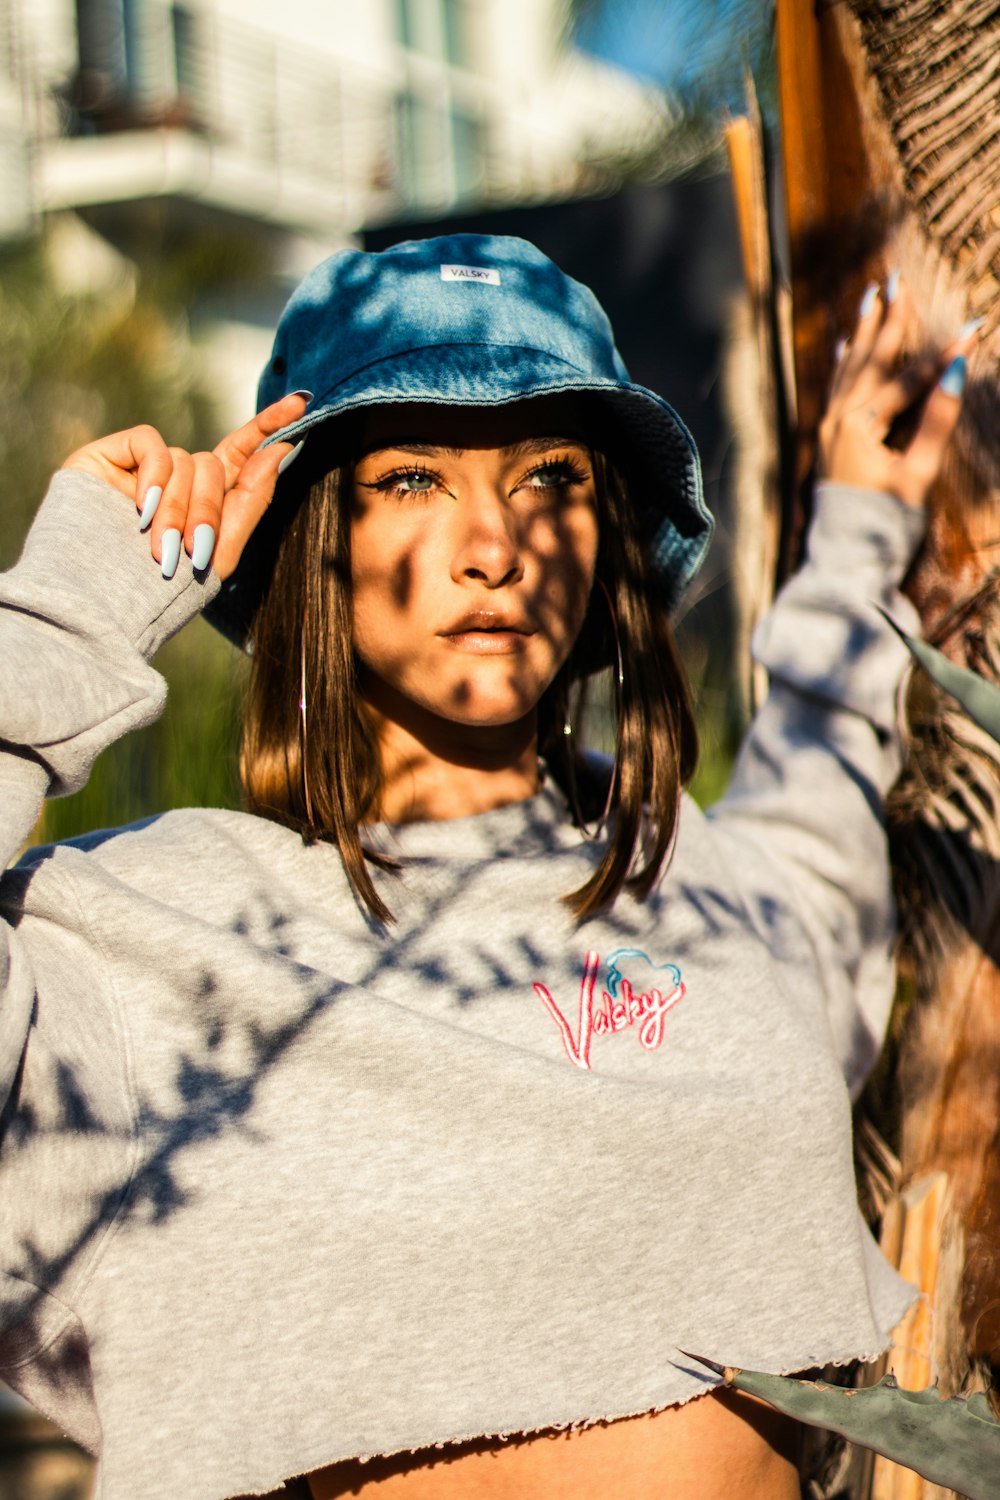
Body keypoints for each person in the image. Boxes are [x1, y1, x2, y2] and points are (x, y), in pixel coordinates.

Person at [0, 234, 971, 1500]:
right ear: (307, 535)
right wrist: (70, 602)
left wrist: (861, 523)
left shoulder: (702, 881)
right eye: (410, 477)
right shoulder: (129, 945)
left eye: (548, 478)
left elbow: (817, 794)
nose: (492, 544)